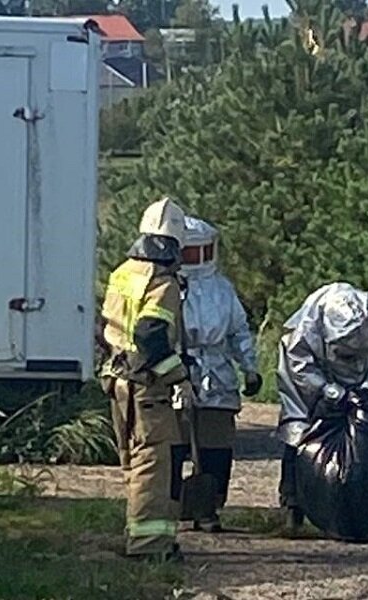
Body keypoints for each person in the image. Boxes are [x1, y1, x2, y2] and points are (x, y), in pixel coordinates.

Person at [100, 197, 196, 561]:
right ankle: (149, 546)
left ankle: (136, 535)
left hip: (118, 381)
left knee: (132, 463)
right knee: (153, 465)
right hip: (146, 388)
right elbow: (151, 336)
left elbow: (113, 328)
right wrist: (179, 377)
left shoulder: (123, 271)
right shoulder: (163, 283)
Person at [276, 282, 368, 531]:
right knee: (301, 434)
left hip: (365, 387)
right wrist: (323, 387)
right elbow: (298, 361)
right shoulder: (309, 325)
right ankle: (293, 506)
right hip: (311, 387)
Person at [171, 216, 263, 533]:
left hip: (217, 374)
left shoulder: (222, 289)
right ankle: (172, 506)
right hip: (175, 373)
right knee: (173, 444)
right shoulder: (165, 286)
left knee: (216, 445)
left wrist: (249, 368)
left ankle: (210, 507)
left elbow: (239, 331)